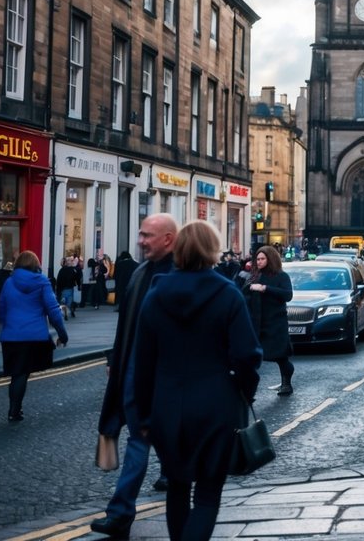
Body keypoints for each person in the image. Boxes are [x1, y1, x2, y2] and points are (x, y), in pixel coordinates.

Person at [134, 220, 261, 541]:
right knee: (206, 494)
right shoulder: (228, 294)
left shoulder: (155, 295)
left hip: (167, 408)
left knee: (177, 487)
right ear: (212, 250)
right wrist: (244, 393)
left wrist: (143, 416)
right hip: (215, 407)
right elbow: (247, 355)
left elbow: (143, 362)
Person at [92, 214, 179, 539]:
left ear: (168, 239)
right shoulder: (141, 273)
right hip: (133, 370)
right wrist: (115, 359)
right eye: (140, 234)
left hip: (168, 376)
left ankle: (162, 497)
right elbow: (125, 323)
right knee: (138, 439)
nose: (140, 240)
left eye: (147, 236)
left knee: (156, 439)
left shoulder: (182, 273)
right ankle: (120, 512)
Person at [0, 251, 69, 422]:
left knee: (17, 373)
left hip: (11, 336)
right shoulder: (42, 281)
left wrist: (8, 325)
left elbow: (1, 308)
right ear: (35, 264)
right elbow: (53, 311)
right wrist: (62, 334)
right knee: (23, 373)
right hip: (34, 336)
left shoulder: (9, 282)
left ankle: (14, 409)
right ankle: (15, 410)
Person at [243, 245, 295, 395]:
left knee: (279, 356)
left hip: (275, 323)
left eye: (262, 259)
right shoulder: (254, 276)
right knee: (252, 356)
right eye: (257, 259)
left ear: (270, 259)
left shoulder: (281, 276)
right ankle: (246, 388)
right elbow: (243, 294)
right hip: (257, 322)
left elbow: (287, 295)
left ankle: (286, 383)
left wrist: (265, 288)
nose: (258, 262)